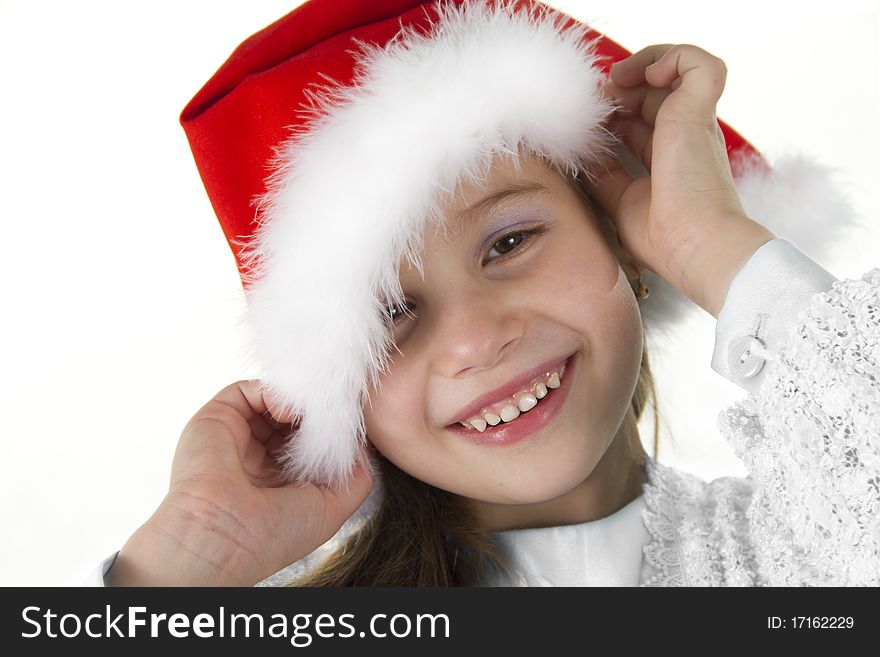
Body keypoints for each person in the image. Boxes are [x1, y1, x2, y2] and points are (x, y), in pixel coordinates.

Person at [85, 0, 879, 587]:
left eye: (509, 241)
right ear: (335, 391)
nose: (475, 340)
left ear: (624, 239)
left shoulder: (809, 559)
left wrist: (710, 243)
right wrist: (190, 556)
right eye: (388, 315)